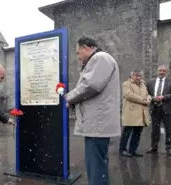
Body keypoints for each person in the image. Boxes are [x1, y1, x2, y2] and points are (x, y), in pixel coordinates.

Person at [64, 37, 121, 185]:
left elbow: (91, 85)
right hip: (97, 123)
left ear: (85, 48)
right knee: (98, 163)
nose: (78, 57)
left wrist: (69, 98)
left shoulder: (100, 57)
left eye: (78, 53)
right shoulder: (100, 59)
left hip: (97, 123)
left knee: (95, 165)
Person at [146, 65, 171, 156]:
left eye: (163, 71)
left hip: (167, 109)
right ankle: (154, 146)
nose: (161, 72)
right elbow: (146, 94)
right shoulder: (150, 82)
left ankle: (169, 148)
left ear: (166, 72)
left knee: (170, 129)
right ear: (158, 71)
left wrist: (164, 97)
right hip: (155, 108)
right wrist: (153, 98)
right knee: (155, 129)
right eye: (160, 70)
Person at [119, 69, 151, 157]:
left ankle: (133, 150)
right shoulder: (126, 84)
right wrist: (144, 100)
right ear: (131, 76)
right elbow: (129, 95)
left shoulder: (143, 85)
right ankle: (123, 150)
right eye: (136, 75)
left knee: (137, 133)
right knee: (127, 132)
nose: (138, 77)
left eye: (140, 76)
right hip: (131, 112)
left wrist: (148, 98)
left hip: (141, 113)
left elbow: (147, 94)